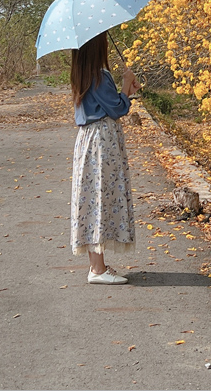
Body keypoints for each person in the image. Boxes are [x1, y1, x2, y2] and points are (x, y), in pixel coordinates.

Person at [69, 31, 141, 284]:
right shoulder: (98, 76)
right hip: (102, 142)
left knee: (93, 198)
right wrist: (124, 86)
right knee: (99, 196)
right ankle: (97, 270)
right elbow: (117, 108)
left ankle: (97, 266)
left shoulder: (84, 74)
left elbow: (115, 103)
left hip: (91, 140)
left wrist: (126, 92)